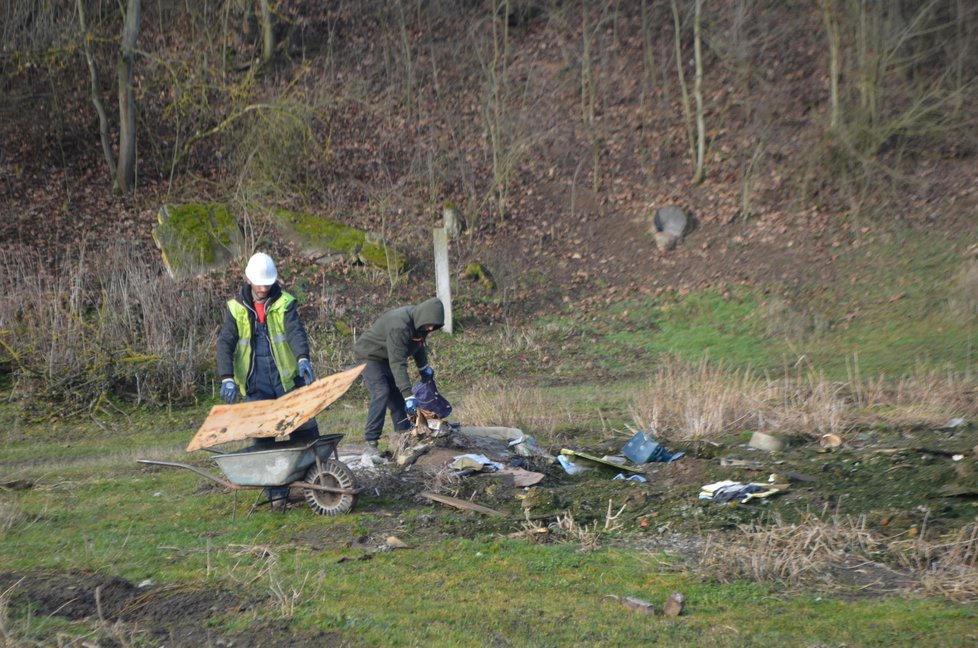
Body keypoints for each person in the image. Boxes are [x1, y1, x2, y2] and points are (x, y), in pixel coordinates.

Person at [216, 252, 318, 508]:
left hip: (287, 381)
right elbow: (225, 343)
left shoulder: (285, 303)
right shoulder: (236, 309)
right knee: (265, 441)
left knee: (304, 430)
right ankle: (277, 495)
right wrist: (227, 377)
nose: (264, 288)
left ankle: (313, 481)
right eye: (260, 283)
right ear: (248, 279)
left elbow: (295, 332)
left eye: (268, 283)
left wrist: (303, 359)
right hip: (256, 383)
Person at [353, 298, 444, 454]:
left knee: (397, 400)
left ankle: (404, 440)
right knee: (381, 392)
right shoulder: (400, 326)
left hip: (386, 356)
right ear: (424, 317)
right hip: (369, 355)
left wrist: (423, 368)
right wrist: (409, 395)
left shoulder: (421, 323)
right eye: (429, 325)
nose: (430, 328)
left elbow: (419, 345)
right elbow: (398, 364)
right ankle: (371, 443)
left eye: (433, 327)